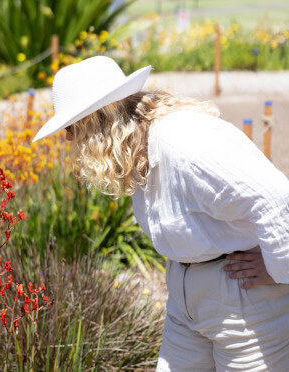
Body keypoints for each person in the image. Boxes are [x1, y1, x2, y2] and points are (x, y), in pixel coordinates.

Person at [32, 56, 289, 371]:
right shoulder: (140, 146)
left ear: (99, 120)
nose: (69, 138)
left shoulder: (183, 143)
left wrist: (279, 270)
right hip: (188, 303)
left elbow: (275, 197)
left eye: (71, 126)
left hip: (244, 303)